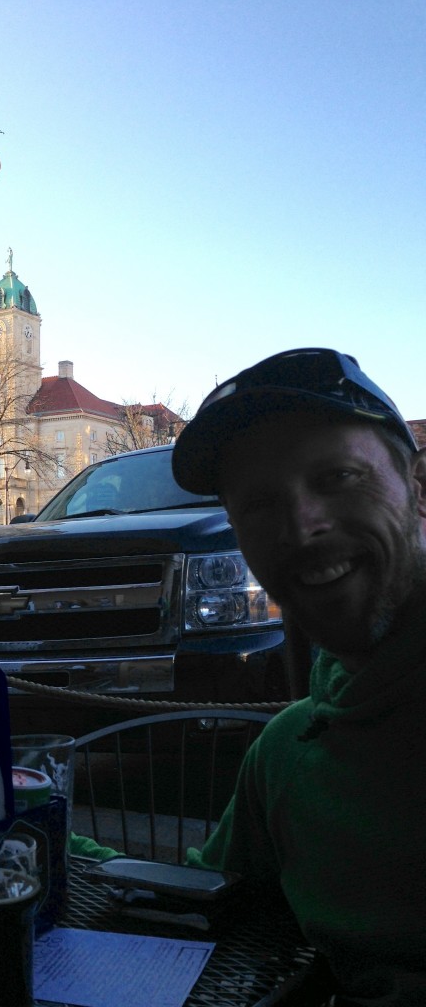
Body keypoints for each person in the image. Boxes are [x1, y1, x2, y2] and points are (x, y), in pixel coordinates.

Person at [173, 347, 426, 1006]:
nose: (300, 527)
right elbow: (204, 892)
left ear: (419, 489)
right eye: (258, 505)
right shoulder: (286, 756)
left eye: (338, 477)